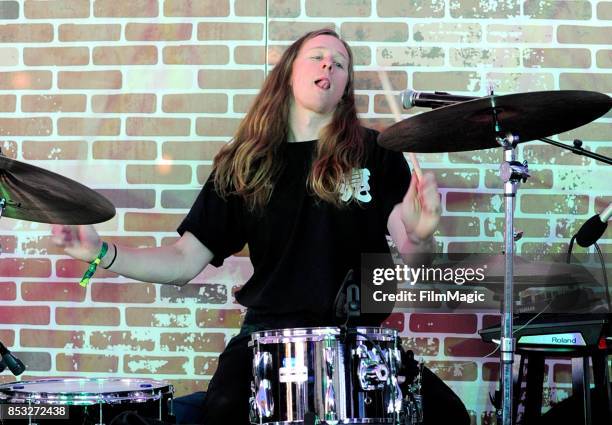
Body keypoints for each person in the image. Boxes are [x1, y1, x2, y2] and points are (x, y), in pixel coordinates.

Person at [53, 29, 468, 425]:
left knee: (448, 416)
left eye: (340, 64)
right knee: (225, 413)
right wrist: (103, 253)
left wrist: (421, 231)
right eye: (318, 57)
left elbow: (414, 252)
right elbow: (183, 261)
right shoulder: (245, 164)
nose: (329, 66)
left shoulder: (377, 153)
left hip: (356, 342)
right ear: (289, 71)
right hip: (268, 340)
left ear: (345, 87)